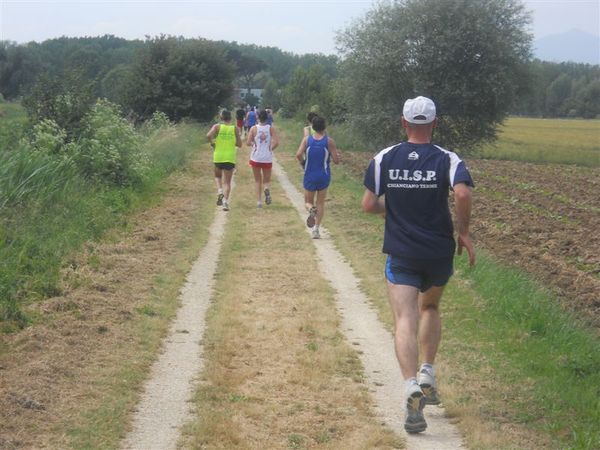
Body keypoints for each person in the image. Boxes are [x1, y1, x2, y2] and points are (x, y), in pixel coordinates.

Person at [361, 96, 475, 434]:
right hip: (438, 252)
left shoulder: (385, 158)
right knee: (431, 307)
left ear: (403, 122)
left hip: (402, 252)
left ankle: (411, 384)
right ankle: (427, 371)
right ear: (434, 124)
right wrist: (464, 232)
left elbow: (368, 204)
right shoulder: (448, 159)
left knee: (404, 319)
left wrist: (392, 210)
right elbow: (464, 194)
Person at [295, 116, 340, 239]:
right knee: (321, 203)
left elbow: (298, 154)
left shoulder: (307, 140)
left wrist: (303, 163)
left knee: (308, 202)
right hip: (323, 176)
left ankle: (311, 209)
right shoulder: (329, 141)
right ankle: (316, 229)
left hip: (309, 174)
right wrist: (335, 155)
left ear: (313, 127)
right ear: (324, 127)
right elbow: (336, 161)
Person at [206, 109, 242, 211]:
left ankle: (220, 191)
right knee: (227, 182)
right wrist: (232, 141)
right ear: (230, 118)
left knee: (217, 177)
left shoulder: (217, 127)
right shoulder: (234, 128)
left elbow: (208, 135)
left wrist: (212, 143)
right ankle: (225, 202)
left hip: (218, 156)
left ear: (221, 118)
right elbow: (239, 144)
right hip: (229, 157)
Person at [246, 109, 279, 208]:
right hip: (267, 157)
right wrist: (270, 149)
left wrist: (254, 145)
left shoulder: (253, 128)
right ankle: (266, 189)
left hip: (256, 157)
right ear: (267, 117)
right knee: (266, 180)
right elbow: (277, 142)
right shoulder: (270, 128)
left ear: (257, 117)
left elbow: (248, 142)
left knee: (257, 180)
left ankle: (259, 202)